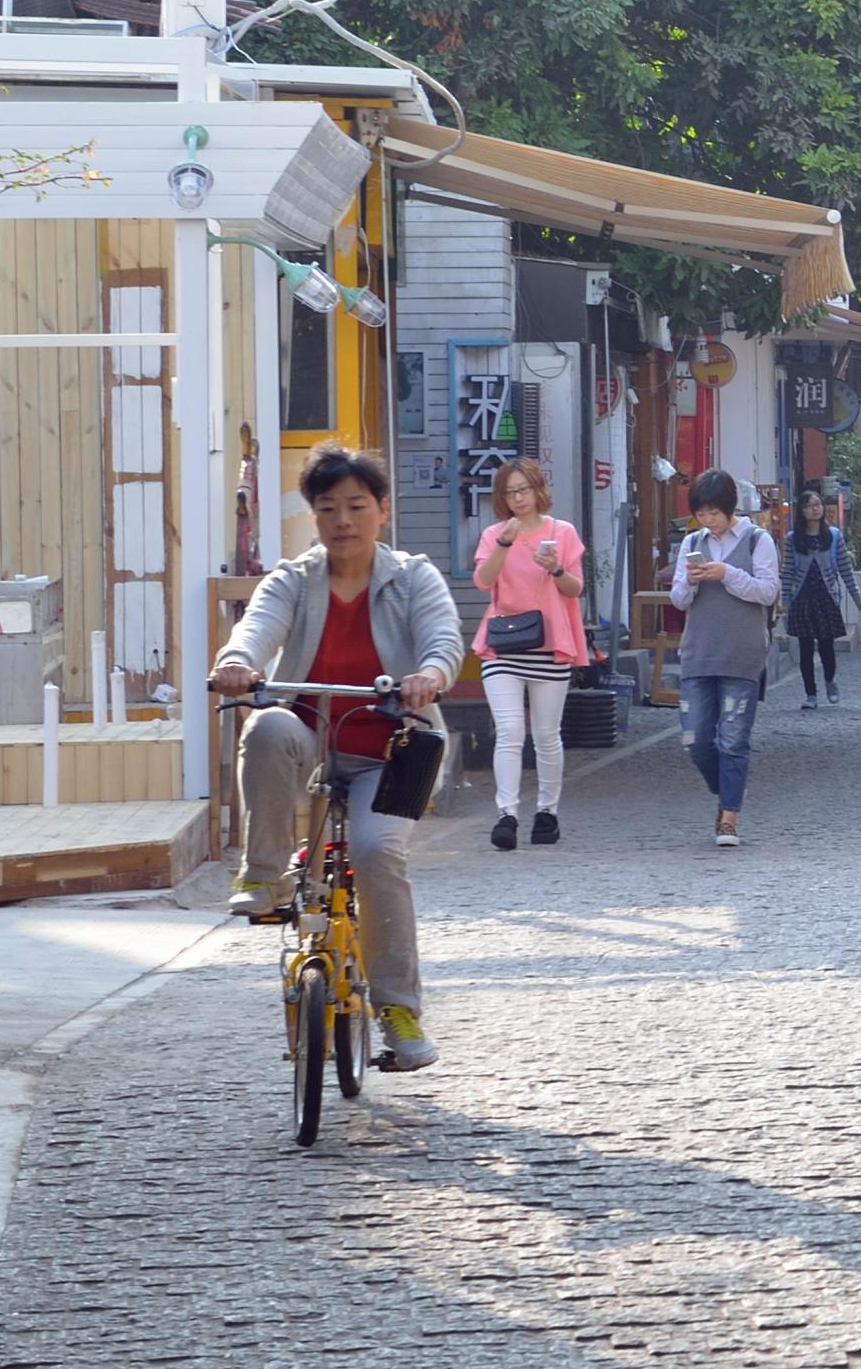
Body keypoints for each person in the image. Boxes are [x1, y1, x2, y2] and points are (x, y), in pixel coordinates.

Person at [213, 447, 460, 1069]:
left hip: (393, 751)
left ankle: (399, 1013)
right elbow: (257, 627)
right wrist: (236, 663)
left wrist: (429, 674)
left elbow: (443, 639)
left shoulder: (414, 578)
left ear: (382, 510)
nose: (343, 520)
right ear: (313, 516)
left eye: (356, 506)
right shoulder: (293, 580)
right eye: (327, 509)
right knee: (267, 725)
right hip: (310, 741)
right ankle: (262, 875)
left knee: (378, 855)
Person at [463, 452, 590, 851]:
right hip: (502, 645)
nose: (518, 498)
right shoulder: (494, 534)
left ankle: (547, 813)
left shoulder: (562, 532)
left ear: (539, 490)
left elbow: (575, 590)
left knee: (547, 735)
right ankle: (507, 815)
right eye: (510, 492)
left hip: (550, 643)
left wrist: (555, 568)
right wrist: (504, 542)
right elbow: (483, 581)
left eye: (524, 489)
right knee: (511, 732)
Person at [672, 469, 780, 845]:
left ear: (729, 508)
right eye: (701, 514)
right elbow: (678, 600)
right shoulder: (691, 543)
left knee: (733, 739)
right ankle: (728, 790)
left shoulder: (757, 540)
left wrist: (726, 573)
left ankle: (729, 818)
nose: (707, 520)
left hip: (742, 653)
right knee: (695, 739)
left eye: (713, 513)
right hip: (699, 652)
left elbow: (768, 592)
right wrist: (690, 578)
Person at [783, 490, 853, 702]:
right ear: (802, 511)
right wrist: (785, 599)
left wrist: (856, 596)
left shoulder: (833, 535)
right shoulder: (793, 538)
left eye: (818, 504)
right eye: (809, 505)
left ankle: (830, 680)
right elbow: (788, 570)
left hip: (826, 596)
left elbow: (844, 567)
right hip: (802, 597)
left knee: (826, 645)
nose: (815, 509)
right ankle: (810, 693)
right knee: (805, 647)